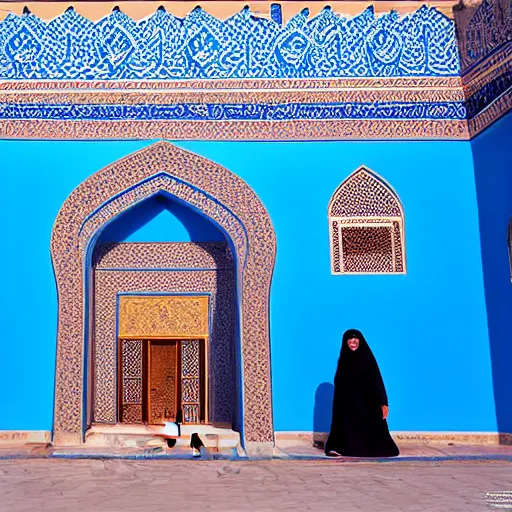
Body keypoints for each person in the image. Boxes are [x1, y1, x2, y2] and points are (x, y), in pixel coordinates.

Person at [325, 329, 399, 458]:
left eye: (356, 338)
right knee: (342, 426)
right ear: (345, 341)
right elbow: (340, 383)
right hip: (347, 405)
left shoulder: (367, 358)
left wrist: (383, 403)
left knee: (377, 441)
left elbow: (377, 380)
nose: (353, 341)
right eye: (350, 338)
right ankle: (337, 447)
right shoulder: (343, 360)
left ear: (360, 341)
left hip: (368, 404)